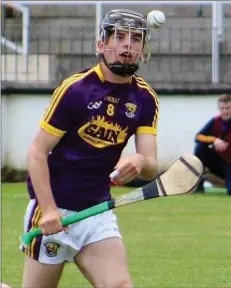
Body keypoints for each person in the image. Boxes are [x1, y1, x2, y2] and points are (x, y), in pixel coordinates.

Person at [20, 9, 159, 288]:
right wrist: (48, 210)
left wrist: (140, 161)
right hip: (54, 210)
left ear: (143, 49)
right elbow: (36, 152)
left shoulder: (145, 98)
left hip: (97, 212)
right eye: (119, 37)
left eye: (135, 39)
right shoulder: (76, 89)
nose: (127, 45)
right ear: (101, 45)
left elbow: (152, 162)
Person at [194, 94, 231, 195]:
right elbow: (197, 137)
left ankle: (223, 181)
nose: (225, 111)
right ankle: (198, 183)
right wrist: (214, 140)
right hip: (216, 161)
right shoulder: (214, 122)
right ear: (218, 108)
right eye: (222, 108)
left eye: (228, 108)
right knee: (200, 147)